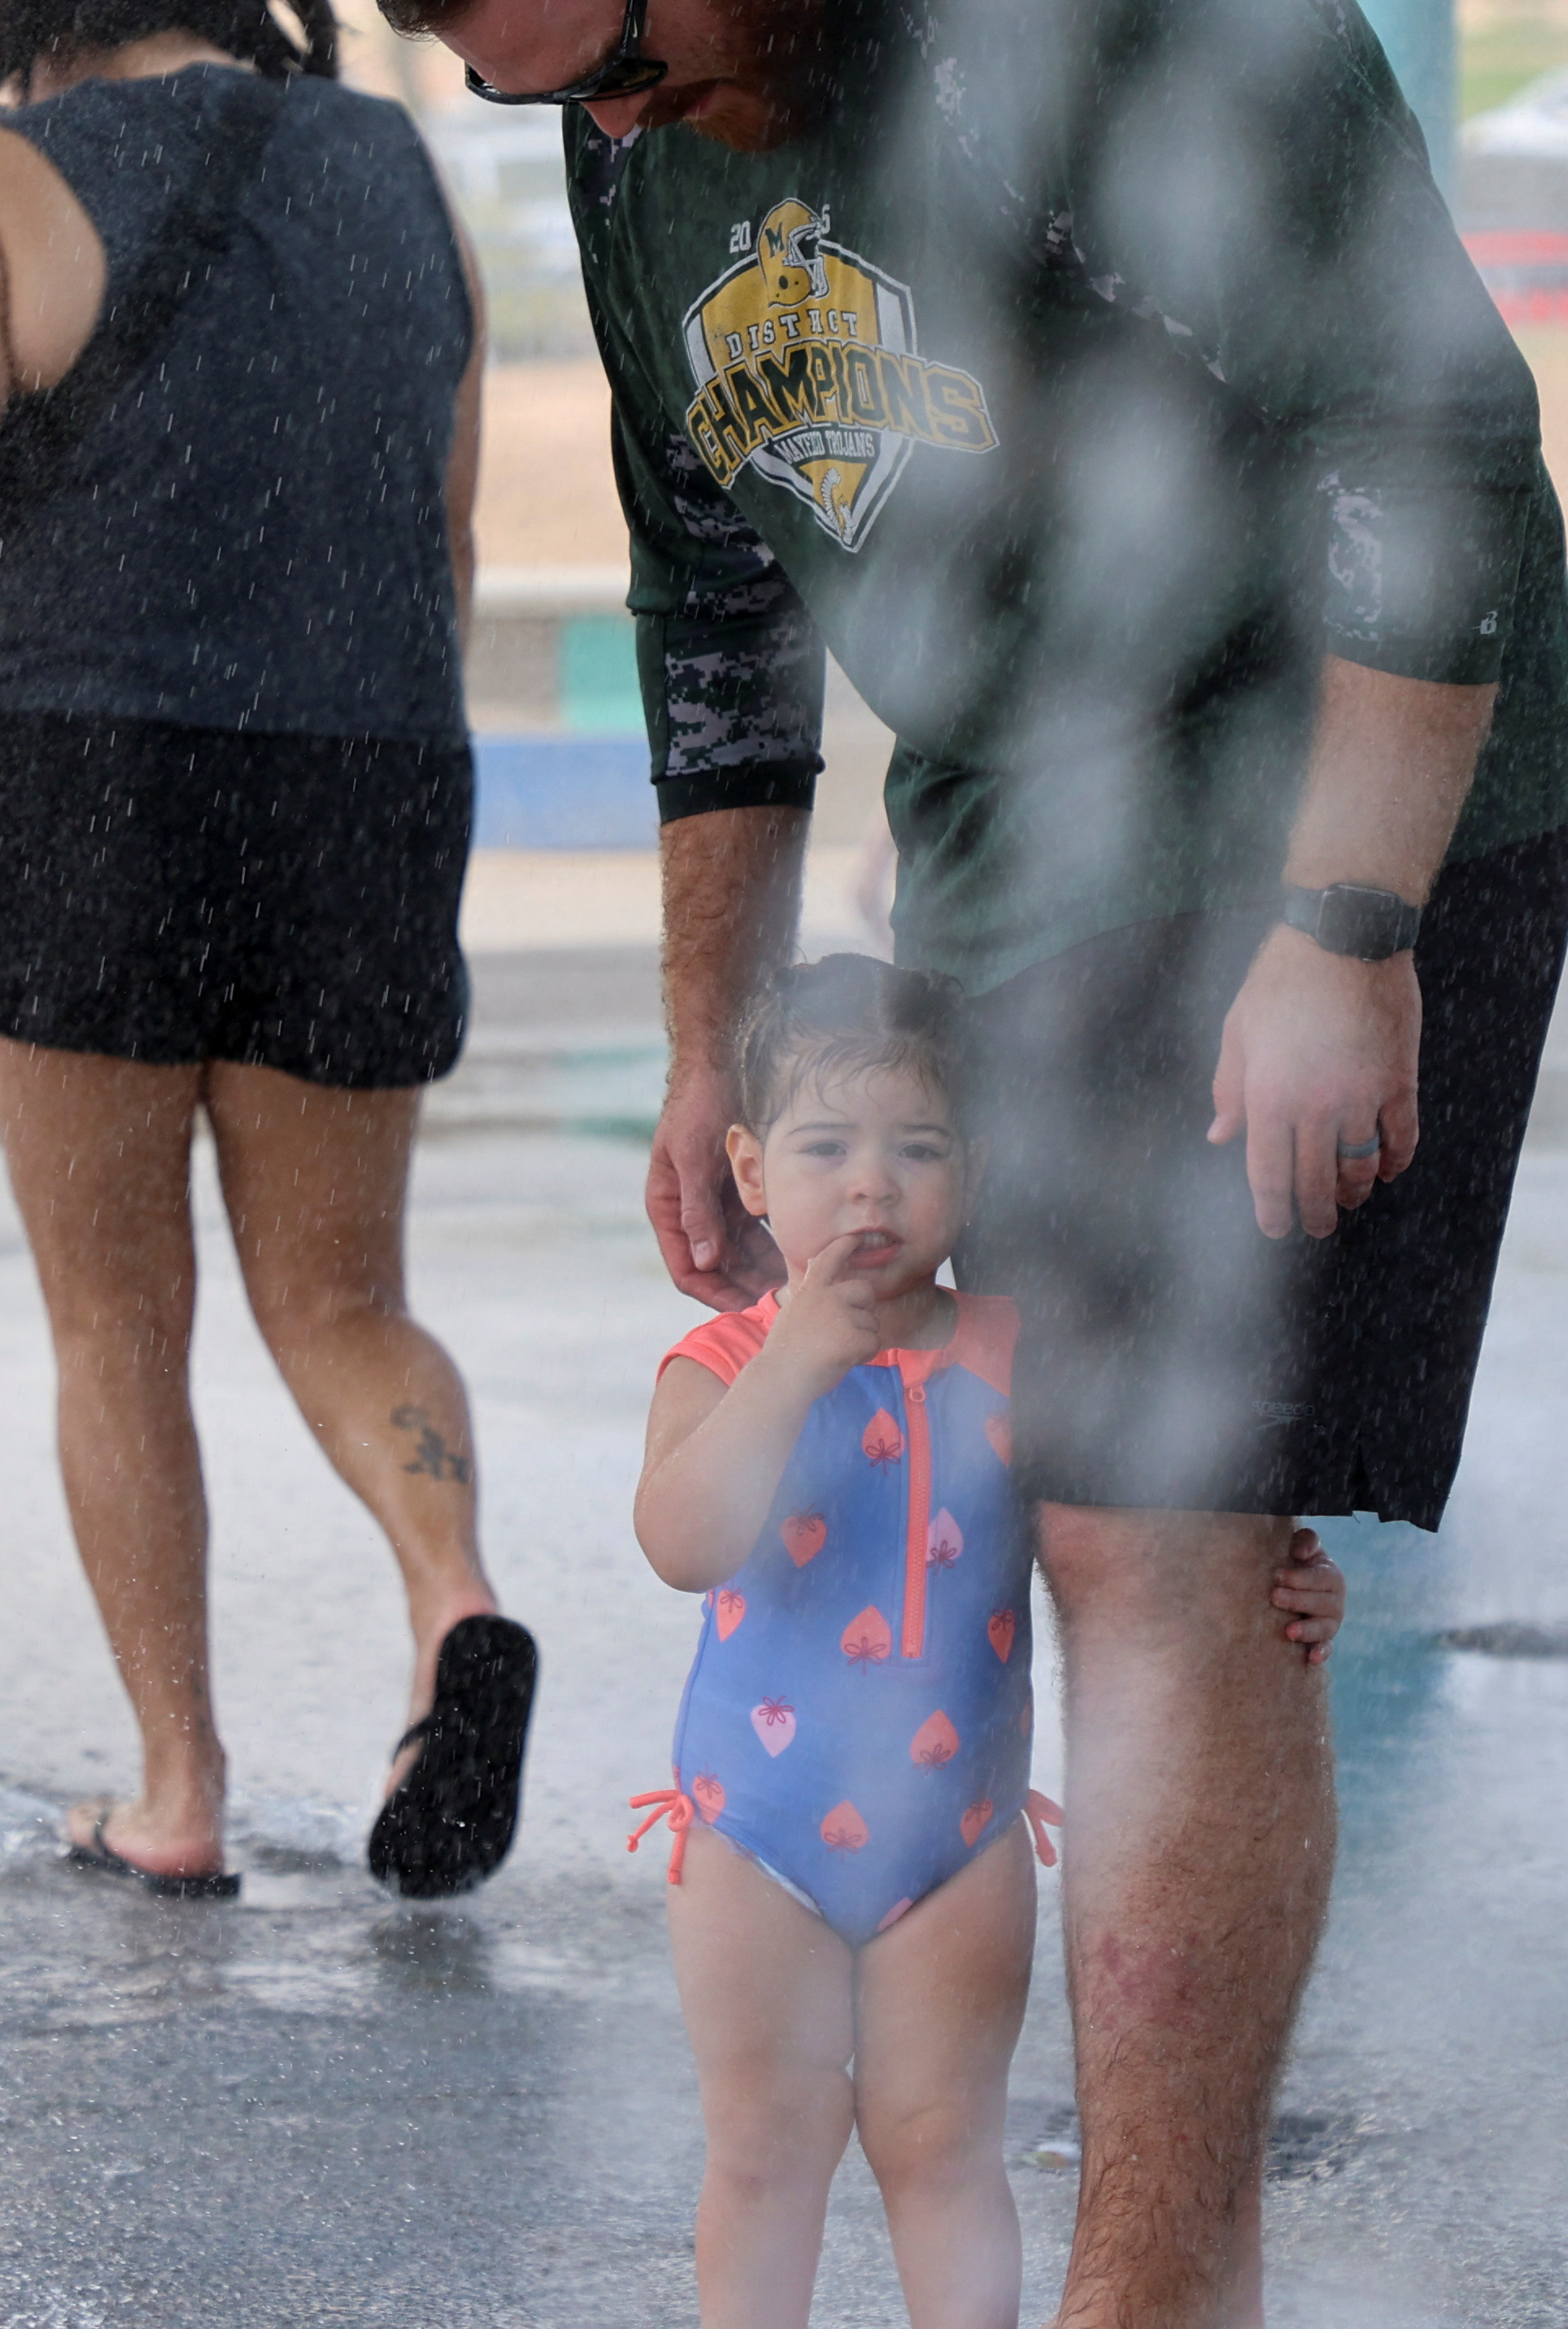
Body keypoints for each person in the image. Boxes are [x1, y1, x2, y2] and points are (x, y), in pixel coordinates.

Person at [351, 0, 1568, 2320]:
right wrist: (720, 1037)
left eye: (625, 74)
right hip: (1019, 849)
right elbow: (715, 608)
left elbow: (1426, 425)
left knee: (1150, 1525)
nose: (622, 139)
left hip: (1319, 798)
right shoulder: (634, 135)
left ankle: (1142, 2290)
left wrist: (1347, 931)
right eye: (546, 105)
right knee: (1057, 1506)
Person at [0, 0, 539, 1902]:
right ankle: (453, 1597)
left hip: (87, 775)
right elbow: (442, 533)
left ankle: (177, 1790)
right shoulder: (396, 171)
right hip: (368, 773)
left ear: (36, 15)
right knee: (342, 1296)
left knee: (117, 1320)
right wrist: (383, 765)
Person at [627, 958, 1343, 2329]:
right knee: (767, 2148)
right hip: (751, 1835)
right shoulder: (717, 1363)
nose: (871, 1188)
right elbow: (681, 1540)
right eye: (826, 1148)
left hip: (955, 1839)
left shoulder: (1017, 1353)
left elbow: (1152, 1541)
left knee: (941, 2145)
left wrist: (1300, 1580)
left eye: (918, 1147)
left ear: (977, 1165)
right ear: (751, 1168)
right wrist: (796, 1360)